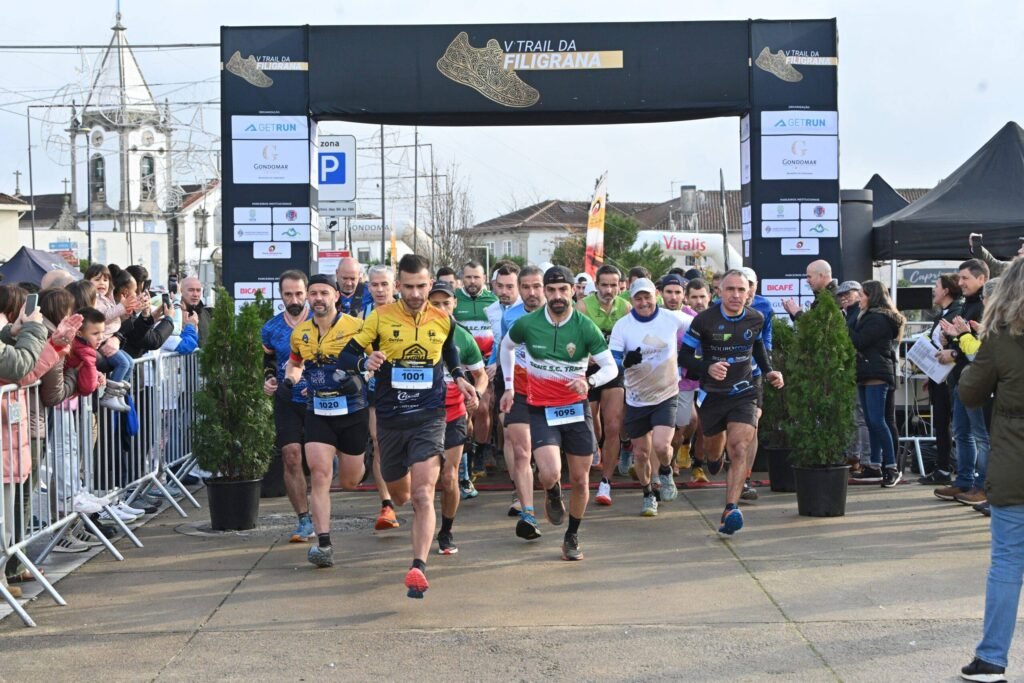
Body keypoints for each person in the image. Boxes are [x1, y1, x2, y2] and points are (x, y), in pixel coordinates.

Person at [340, 254, 477, 598]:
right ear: (398, 286)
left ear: (430, 285)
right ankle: (400, 509)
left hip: (429, 418)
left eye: (422, 286)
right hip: (391, 421)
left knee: (423, 494)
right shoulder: (380, 318)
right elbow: (346, 356)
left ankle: (418, 567)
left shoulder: (442, 318)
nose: (416, 294)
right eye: (409, 287)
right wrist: (364, 360)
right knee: (401, 496)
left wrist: (459, 377)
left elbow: (450, 351)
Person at [499, 265, 618, 560]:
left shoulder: (584, 326)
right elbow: (506, 347)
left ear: (573, 291)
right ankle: (552, 492)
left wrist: (588, 381)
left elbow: (611, 367)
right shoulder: (528, 323)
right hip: (541, 409)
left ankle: (572, 535)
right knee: (550, 472)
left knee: (580, 479)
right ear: (545, 292)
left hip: (575, 409)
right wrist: (510, 386)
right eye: (550, 290)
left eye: (562, 290)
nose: (556, 296)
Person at [956, 256, 1024, 683]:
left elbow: (970, 393)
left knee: (1006, 562)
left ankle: (992, 659)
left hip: (1014, 462)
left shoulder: (1000, 338)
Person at [679, 270, 783, 536]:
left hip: (744, 391)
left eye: (741, 290)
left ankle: (731, 509)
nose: (736, 295)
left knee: (738, 447)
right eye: (730, 290)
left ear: (749, 292)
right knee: (715, 452)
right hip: (713, 394)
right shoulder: (704, 321)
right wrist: (708, 367)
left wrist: (769, 370)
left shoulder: (756, 318)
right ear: (720, 293)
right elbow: (685, 357)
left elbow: (758, 348)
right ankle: (712, 458)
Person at [281, 274, 368, 569]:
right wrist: (291, 379)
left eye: (324, 293)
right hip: (318, 410)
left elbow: (374, 358)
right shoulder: (300, 333)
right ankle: (324, 544)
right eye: (314, 293)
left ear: (336, 297)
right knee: (319, 474)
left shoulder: (356, 327)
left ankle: (358, 469)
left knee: (349, 481)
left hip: (353, 412)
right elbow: (295, 362)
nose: (318, 298)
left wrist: (366, 371)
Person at [609, 278, 692, 516]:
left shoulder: (671, 318)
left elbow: (701, 326)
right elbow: (612, 360)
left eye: (647, 297)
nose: (644, 302)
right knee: (641, 453)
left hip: (666, 393)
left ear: (655, 295)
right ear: (631, 299)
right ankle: (647, 493)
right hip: (636, 397)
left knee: (662, 445)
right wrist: (625, 362)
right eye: (638, 298)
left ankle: (665, 470)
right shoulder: (622, 326)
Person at [427, 280, 487, 554]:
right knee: (425, 481)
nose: (440, 308)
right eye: (435, 303)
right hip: (422, 414)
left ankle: (446, 531)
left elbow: (480, 374)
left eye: (445, 303)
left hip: (453, 413)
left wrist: (476, 393)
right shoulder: (415, 332)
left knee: (449, 477)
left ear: (455, 304)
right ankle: (424, 524)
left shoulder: (462, 336)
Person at [260, 270, 314, 544]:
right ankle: (304, 519)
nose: (294, 299)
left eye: (299, 294)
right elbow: (267, 362)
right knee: (291, 456)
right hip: (286, 400)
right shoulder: (271, 328)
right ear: (280, 295)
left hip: (319, 401)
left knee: (318, 461)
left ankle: (321, 512)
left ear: (307, 293)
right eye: (288, 294)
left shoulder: (321, 322)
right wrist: (268, 379)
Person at [934, 259, 990, 506]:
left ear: (982, 279)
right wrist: (950, 342)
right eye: (959, 278)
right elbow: (965, 340)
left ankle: (983, 486)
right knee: (962, 433)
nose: (960, 283)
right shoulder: (967, 306)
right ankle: (965, 481)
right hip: (961, 380)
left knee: (980, 436)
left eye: (965, 278)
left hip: (978, 381)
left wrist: (954, 351)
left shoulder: (984, 307)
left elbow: (985, 349)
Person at [491, 265, 545, 522]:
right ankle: (522, 499)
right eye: (526, 287)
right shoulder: (511, 316)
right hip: (515, 384)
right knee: (514, 441)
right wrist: (494, 369)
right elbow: (504, 346)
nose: (532, 292)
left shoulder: (557, 314)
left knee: (542, 448)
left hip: (549, 386)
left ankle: (550, 485)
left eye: (537, 286)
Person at [577, 265, 630, 506]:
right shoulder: (583, 306)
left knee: (613, 425)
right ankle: (592, 455)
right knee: (592, 426)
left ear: (621, 285)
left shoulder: (625, 308)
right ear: (596, 285)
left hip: (614, 372)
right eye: (604, 285)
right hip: (588, 370)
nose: (609, 290)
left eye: (613, 285)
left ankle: (606, 481)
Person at [848, 281, 906, 488]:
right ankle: (874, 465)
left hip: (876, 373)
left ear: (871, 297)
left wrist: (843, 322)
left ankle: (891, 467)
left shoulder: (878, 319)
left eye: (862, 295)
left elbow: (858, 341)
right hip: (867, 372)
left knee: (877, 420)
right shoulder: (868, 316)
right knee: (873, 421)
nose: (858, 299)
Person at [363, 265, 401, 529]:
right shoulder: (361, 315)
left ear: (394, 286)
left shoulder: (407, 312)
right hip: (377, 389)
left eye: (384, 285)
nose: (379, 289)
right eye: (374, 285)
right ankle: (386, 505)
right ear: (368, 288)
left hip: (409, 387)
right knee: (379, 442)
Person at [454, 260, 498, 478]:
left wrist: (496, 361)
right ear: (462, 278)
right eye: (468, 277)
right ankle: (466, 450)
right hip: (460, 363)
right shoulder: (454, 299)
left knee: (483, 408)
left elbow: (501, 334)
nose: (472, 281)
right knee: (464, 412)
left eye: (476, 277)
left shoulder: (493, 300)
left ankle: (481, 450)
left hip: (486, 362)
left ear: (484, 278)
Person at [917, 275, 963, 486]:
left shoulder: (957, 312)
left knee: (958, 428)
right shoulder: (942, 314)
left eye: (936, 286)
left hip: (951, 379)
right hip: (938, 378)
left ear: (946, 291)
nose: (933, 290)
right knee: (941, 425)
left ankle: (959, 472)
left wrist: (949, 344)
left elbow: (959, 346)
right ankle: (942, 468)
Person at [738, 267, 774, 501]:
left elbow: (766, 339)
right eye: (742, 286)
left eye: (750, 285)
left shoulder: (765, 307)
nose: (747, 290)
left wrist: (767, 366)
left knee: (753, 425)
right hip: (725, 375)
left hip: (754, 373)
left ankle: (745, 478)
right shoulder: (718, 308)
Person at [483, 263, 520, 475]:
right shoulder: (491, 310)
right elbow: (499, 342)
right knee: (507, 427)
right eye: (500, 286)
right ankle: (517, 483)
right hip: (504, 375)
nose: (504, 292)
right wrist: (493, 364)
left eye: (510, 287)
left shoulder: (528, 308)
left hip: (529, 376)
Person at [681, 278, 711, 482]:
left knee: (704, 426)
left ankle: (698, 467)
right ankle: (680, 450)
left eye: (702, 297)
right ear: (686, 298)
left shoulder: (717, 316)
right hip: (682, 379)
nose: (699, 301)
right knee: (686, 421)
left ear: (709, 297)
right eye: (694, 297)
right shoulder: (680, 318)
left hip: (709, 379)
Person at [179, 276, 211, 346]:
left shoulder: (206, 314)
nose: (195, 294)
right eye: (191, 290)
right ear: (181, 291)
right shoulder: (174, 313)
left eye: (198, 290)